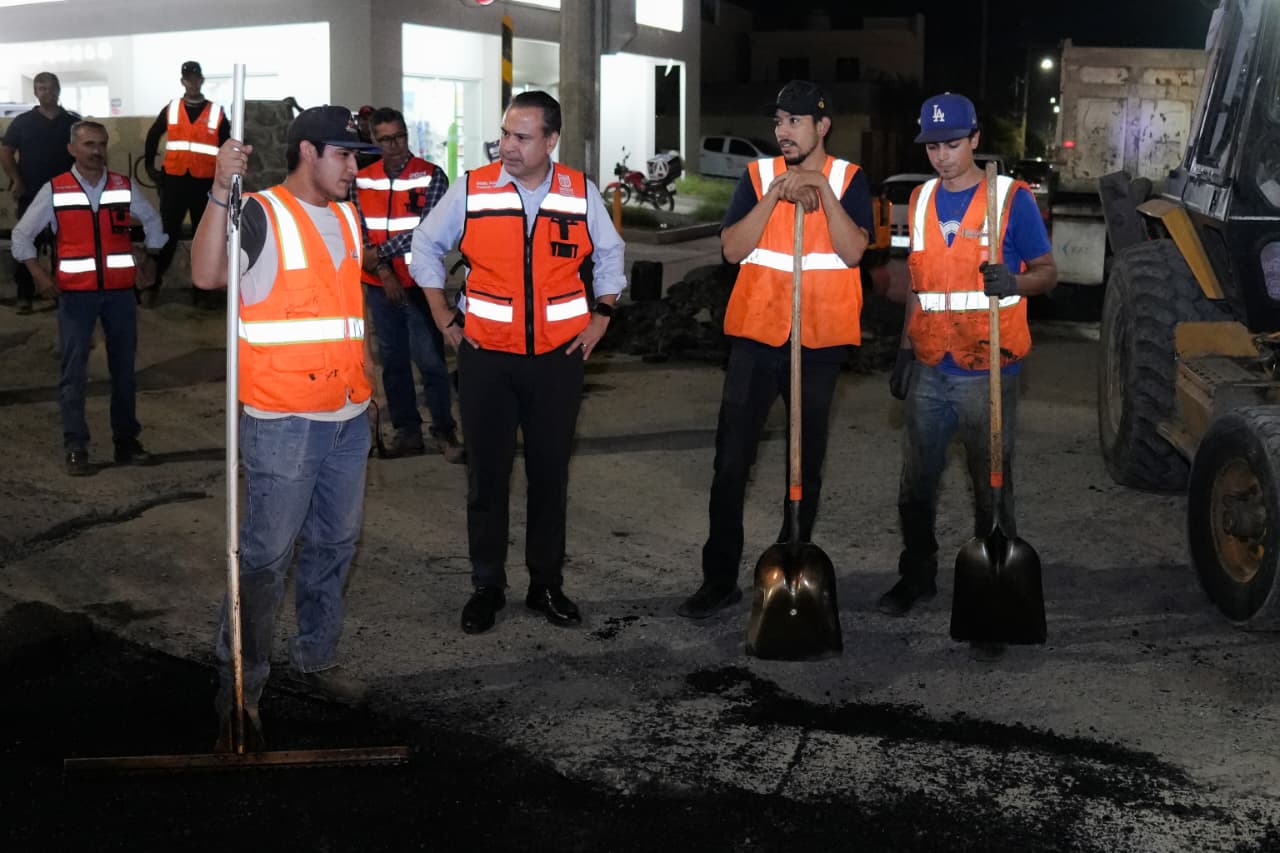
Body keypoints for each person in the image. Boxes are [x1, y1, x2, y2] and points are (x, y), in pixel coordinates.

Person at [190, 106, 381, 748]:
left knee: (334, 547)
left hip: (349, 417)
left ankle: (317, 657)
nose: (356, 169)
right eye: (346, 156)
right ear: (308, 151)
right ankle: (240, 690)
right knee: (266, 561)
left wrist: (370, 385)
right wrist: (220, 187)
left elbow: (349, 313)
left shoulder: (348, 216)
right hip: (284, 424)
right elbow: (207, 275)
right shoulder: (260, 213)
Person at [409, 90, 625, 635]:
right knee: (487, 476)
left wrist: (601, 315)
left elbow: (611, 255)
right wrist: (442, 317)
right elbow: (426, 247)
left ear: (551, 140)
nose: (507, 146)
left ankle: (545, 584)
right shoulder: (474, 188)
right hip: (486, 358)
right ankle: (487, 585)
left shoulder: (579, 192)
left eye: (521, 136)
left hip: (558, 360)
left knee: (550, 475)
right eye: (505, 133)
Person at [676, 80, 874, 619]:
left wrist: (823, 193)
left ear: (822, 126)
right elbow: (733, 249)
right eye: (779, 122)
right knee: (731, 465)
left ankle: (792, 572)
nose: (782, 131)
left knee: (802, 466)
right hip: (755, 341)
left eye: (794, 121)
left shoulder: (850, 180)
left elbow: (854, 253)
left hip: (819, 345)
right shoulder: (756, 175)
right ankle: (718, 579)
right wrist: (776, 193)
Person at [878, 93, 1057, 656]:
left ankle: (990, 595)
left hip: (988, 369)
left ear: (975, 139)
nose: (942, 156)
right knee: (916, 487)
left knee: (992, 488)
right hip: (932, 364)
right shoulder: (922, 197)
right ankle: (918, 576)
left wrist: (1015, 283)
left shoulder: (1011, 199)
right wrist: (904, 350)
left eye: (952, 143)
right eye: (933, 145)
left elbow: (1049, 273)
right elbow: (919, 284)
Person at [10, 121, 166, 475]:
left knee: (124, 372)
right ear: (72, 149)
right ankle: (76, 445)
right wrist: (39, 275)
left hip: (119, 295)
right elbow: (21, 237)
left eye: (101, 144)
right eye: (88, 144)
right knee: (73, 373)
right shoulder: (56, 190)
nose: (96, 151)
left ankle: (127, 442)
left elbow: (154, 223)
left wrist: (151, 259)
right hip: (75, 297)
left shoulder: (122, 186)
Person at [355, 107, 463, 461]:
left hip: (420, 284)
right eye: (385, 139)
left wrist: (379, 254)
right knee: (394, 361)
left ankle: (445, 431)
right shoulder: (362, 178)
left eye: (399, 136)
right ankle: (408, 433)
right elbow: (359, 229)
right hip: (378, 283)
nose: (395, 145)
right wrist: (384, 270)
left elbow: (426, 231)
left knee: (430, 360)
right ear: (374, 140)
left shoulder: (431, 177)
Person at [144, 60, 230, 306]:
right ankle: (153, 284)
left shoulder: (216, 112)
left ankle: (202, 290)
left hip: (204, 183)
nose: (192, 82)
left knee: (205, 236)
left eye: (196, 78)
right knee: (167, 235)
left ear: (201, 80)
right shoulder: (172, 108)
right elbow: (153, 134)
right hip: (175, 181)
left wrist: (225, 177)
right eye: (188, 79)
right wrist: (150, 165)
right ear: (183, 82)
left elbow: (226, 144)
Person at [1, 72, 79, 315]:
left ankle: (63, 292)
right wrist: (17, 180)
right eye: (42, 88)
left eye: (51, 88)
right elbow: (5, 152)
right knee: (26, 243)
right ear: (36, 93)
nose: (47, 92)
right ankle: (25, 295)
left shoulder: (72, 122)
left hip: (66, 194)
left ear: (59, 90)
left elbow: (85, 154)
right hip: (31, 193)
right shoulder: (23, 122)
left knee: (66, 247)